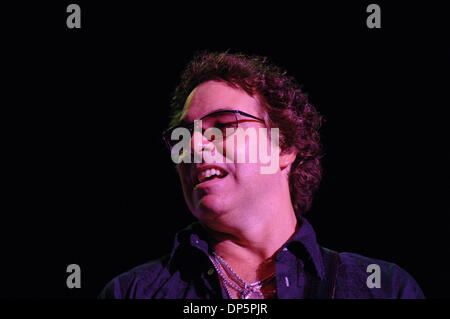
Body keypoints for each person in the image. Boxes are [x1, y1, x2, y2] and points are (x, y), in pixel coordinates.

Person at [99, 51, 424, 299]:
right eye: (183, 136)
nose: (194, 145)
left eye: (224, 125)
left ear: (283, 147)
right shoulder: (131, 291)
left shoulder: (381, 287)